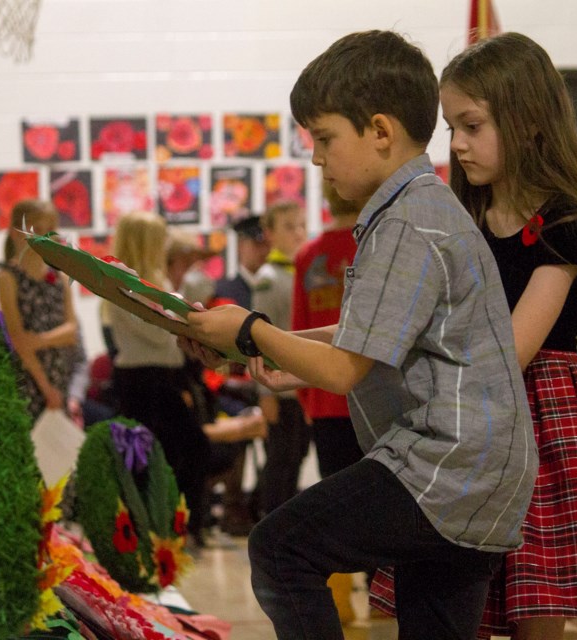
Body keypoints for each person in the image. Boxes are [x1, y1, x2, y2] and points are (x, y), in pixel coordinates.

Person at [174, 29, 537, 640]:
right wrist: (259, 342)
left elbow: (346, 369)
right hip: (480, 473)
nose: (316, 158)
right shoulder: (422, 206)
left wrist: (252, 328)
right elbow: (367, 332)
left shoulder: (408, 220)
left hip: (447, 467)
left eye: (324, 138)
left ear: (379, 131)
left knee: (280, 550)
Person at [371, 32, 577, 640]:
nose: (459, 143)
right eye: (451, 128)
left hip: (537, 420)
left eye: (472, 124)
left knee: (535, 603)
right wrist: (285, 345)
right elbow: (396, 319)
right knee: (457, 600)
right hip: (469, 414)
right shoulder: (460, 215)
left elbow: (511, 349)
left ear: (527, 120)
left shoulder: (564, 222)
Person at [105, 210, 211, 545]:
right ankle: (153, 527)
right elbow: (159, 333)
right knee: (147, 456)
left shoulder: (156, 280)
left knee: (184, 450)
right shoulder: (123, 282)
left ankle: (176, 524)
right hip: (140, 379)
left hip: (163, 377)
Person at [292, 181, 364, 479]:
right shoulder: (371, 246)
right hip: (369, 394)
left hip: (323, 397)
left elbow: (298, 330)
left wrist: (307, 397)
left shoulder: (307, 255)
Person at [0, 199, 86, 421]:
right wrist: (47, 389)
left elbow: (71, 331)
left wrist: (38, 340)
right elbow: (18, 339)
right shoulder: (8, 277)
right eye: (37, 230)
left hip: (60, 375)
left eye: (50, 230)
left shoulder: (59, 275)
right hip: (30, 379)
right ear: (16, 233)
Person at [251, 201, 311, 518]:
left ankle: (285, 518)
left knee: (298, 453)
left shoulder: (305, 270)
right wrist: (265, 392)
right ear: (270, 234)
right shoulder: (268, 278)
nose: (299, 232)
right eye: (289, 227)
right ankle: (269, 517)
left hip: (306, 383)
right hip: (280, 387)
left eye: (302, 225)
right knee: (281, 457)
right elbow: (259, 336)